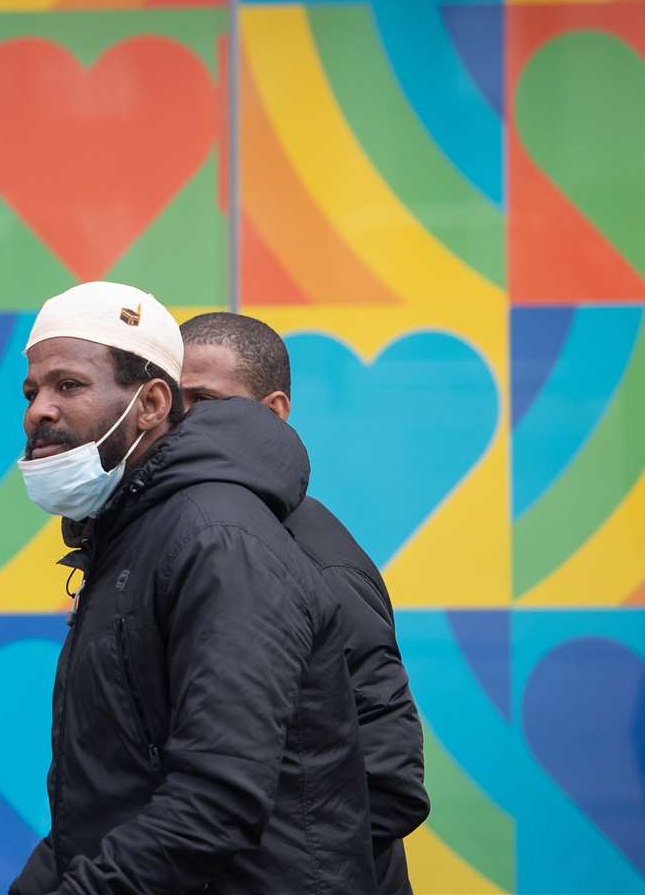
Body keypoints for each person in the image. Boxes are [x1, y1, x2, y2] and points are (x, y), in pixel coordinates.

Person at [9, 281, 375, 895]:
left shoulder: (217, 538)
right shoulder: (133, 534)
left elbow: (217, 798)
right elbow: (118, 790)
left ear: (153, 404)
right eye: (32, 390)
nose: (38, 410)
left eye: (68, 385)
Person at [180, 311, 430, 894]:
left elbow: (389, 782)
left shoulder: (319, 564)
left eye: (206, 401)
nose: (181, 425)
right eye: (173, 403)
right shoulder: (191, 539)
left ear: (274, 413)